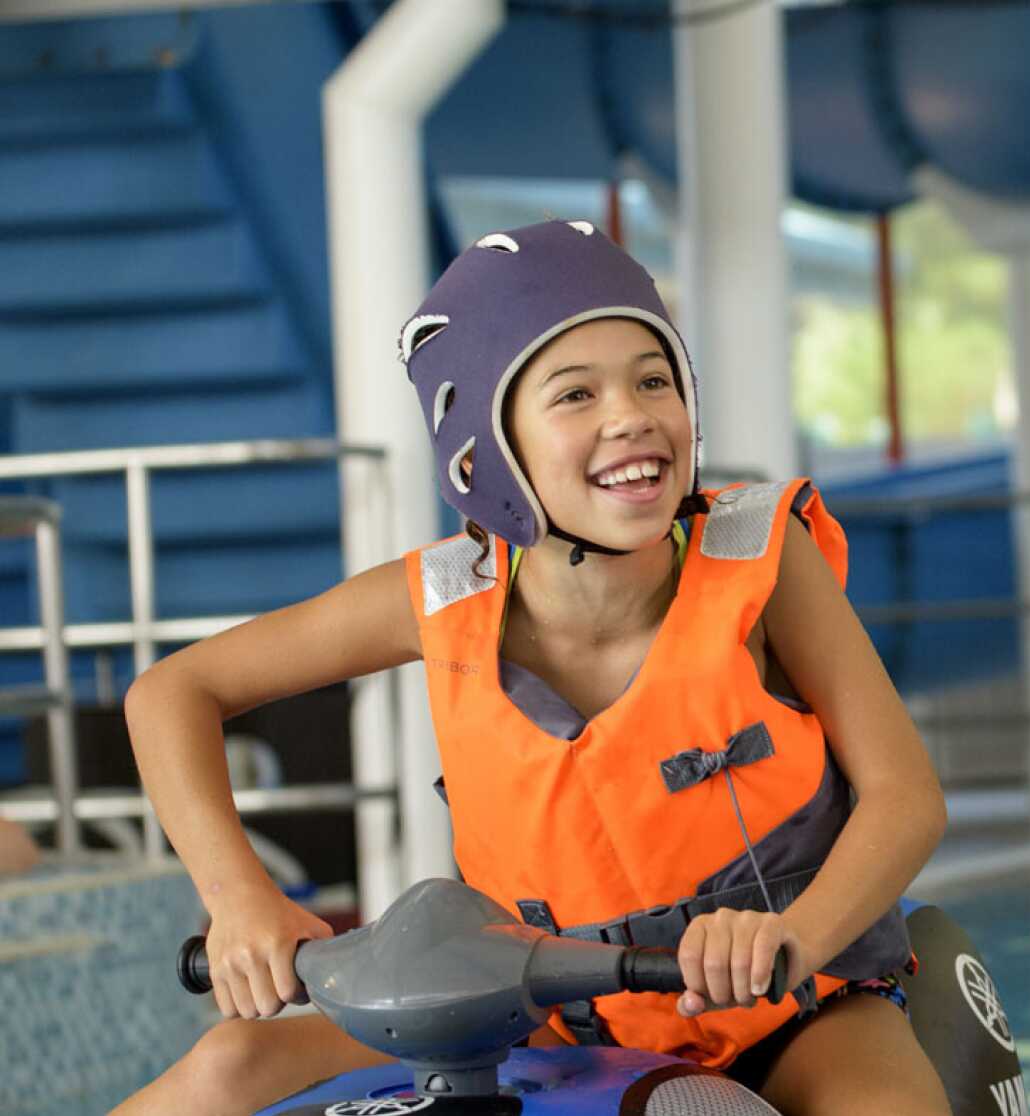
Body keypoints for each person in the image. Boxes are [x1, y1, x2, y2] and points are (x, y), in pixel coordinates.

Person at [116, 220, 950, 1116]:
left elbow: (906, 797)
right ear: (484, 449)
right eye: (575, 394)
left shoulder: (764, 555)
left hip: (795, 1010)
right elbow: (171, 692)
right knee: (229, 1062)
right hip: (541, 1016)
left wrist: (789, 940)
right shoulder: (439, 599)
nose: (630, 414)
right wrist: (240, 896)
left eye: (653, 379)